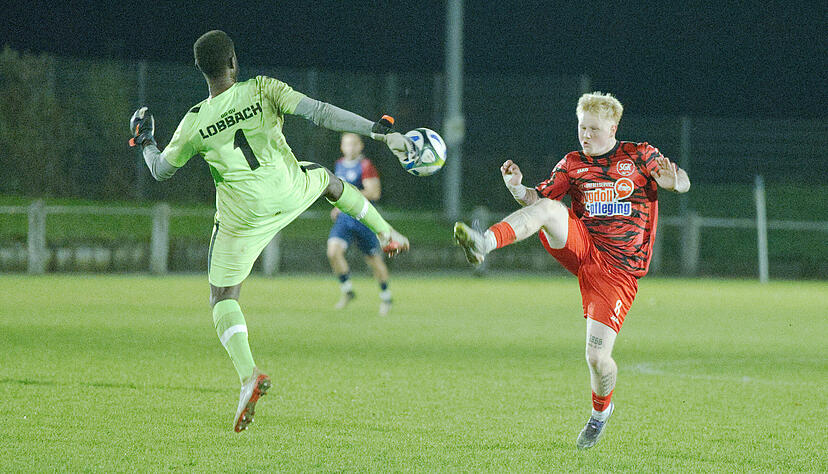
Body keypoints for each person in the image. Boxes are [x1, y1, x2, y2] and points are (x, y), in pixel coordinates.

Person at [128, 30, 412, 433]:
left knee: (222, 296)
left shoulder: (194, 121)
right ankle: (385, 233)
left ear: (200, 70)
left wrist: (146, 141)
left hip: (243, 218)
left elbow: (160, 171)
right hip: (289, 190)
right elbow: (322, 112)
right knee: (330, 181)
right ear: (233, 62)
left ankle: (248, 376)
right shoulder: (262, 88)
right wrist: (378, 131)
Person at [453, 92, 690, 449]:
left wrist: (675, 183)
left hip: (619, 272)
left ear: (612, 128)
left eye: (594, 129)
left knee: (597, 358)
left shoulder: (638, 155)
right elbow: (538, 198)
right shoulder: (572, 164)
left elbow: (682, 179)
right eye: (582, 127)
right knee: (550, 209)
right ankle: (484, 243)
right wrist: (517, 187)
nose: (586, 135)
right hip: (583, 247)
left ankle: (600, 412)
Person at [327, 133, 393, 315]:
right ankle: (347, 290)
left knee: (373, 260)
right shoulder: (339, 165)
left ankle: (386, 296)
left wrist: (349, 200)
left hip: (364, 219)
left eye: (353, 144)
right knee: (333, 251)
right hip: (345, 220)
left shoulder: (366, 166)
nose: (350, 147)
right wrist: (338, 206)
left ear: (360, 146)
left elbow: (374, 192)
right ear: (342, 146)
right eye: (346, 144)